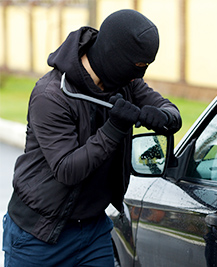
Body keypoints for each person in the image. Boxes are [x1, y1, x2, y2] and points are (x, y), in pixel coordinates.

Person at [2, 9, 181, 266]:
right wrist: (114, 128)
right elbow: (67, 169)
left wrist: (162, 118)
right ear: (114, 55)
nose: (138, 76)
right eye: (137, 67)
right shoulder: (51, 95)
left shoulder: (125, 82)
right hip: (38, 234)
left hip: (93, 230)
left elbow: (171, 111)